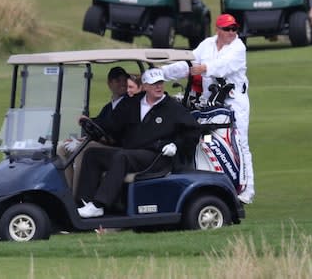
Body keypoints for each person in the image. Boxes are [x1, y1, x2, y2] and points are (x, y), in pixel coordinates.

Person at [76, 68, 200, 218]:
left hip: (157, 156)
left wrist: (176, 144)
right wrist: (90, 122)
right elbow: (112, 123)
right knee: (92, 155)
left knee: (122, 157)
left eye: (160, 83)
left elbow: (192, 131)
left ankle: (99, 205)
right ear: (145, 86)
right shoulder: (133, 103)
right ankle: (83, 201)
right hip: (133, 152)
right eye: (154, 84)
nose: (158, 87)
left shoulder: (172, 108)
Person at [162, 13, 255, 204]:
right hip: (209, 102)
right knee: (207, 139)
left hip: (234, 101)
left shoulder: (238, 47)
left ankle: (247, 189)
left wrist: (203, 68)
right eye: (227, 29)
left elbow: (224, 66)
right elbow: (187, 64)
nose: (231, 32)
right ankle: (213, 179)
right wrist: (161, 73)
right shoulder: (207, 44)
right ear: (218, 29)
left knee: (240, 143)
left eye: (234, 28)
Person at [57, 66, 129, 195]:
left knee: (85, 149)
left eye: (125, 80)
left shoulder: (130, 103)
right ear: (110, 83)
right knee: (62, 147)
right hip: (105, 143)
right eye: (118, 80)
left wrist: (92, 133)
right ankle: (67, 191)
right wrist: (83, 134)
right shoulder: (109, 107)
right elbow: (100, 124)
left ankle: (77, 196)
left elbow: (114, 128)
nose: (123, 83)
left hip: (120, 147)